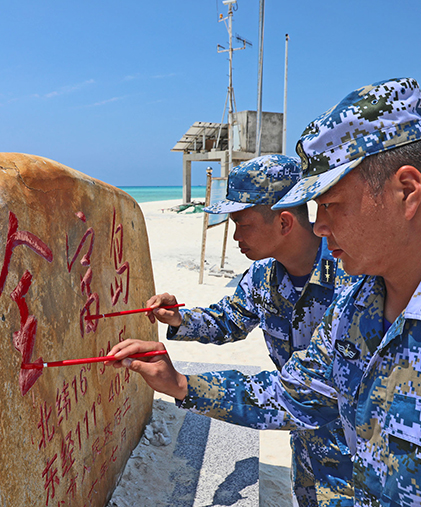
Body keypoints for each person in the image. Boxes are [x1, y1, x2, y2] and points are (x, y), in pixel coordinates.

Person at [109, 77, 421, 506]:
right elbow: (292, 396)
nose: (321, 225)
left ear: (406, 192)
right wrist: (180, 383)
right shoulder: (355, 308)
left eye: (331, 204)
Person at [146, 154, 356, 507]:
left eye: (242, 224)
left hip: (354, 461)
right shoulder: (263, 276)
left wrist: (182, 384)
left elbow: (307, 390)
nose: (235, 236)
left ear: (284, 222)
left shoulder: (351, 277)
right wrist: (180, 319)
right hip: (305, 448)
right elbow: (229, 318)